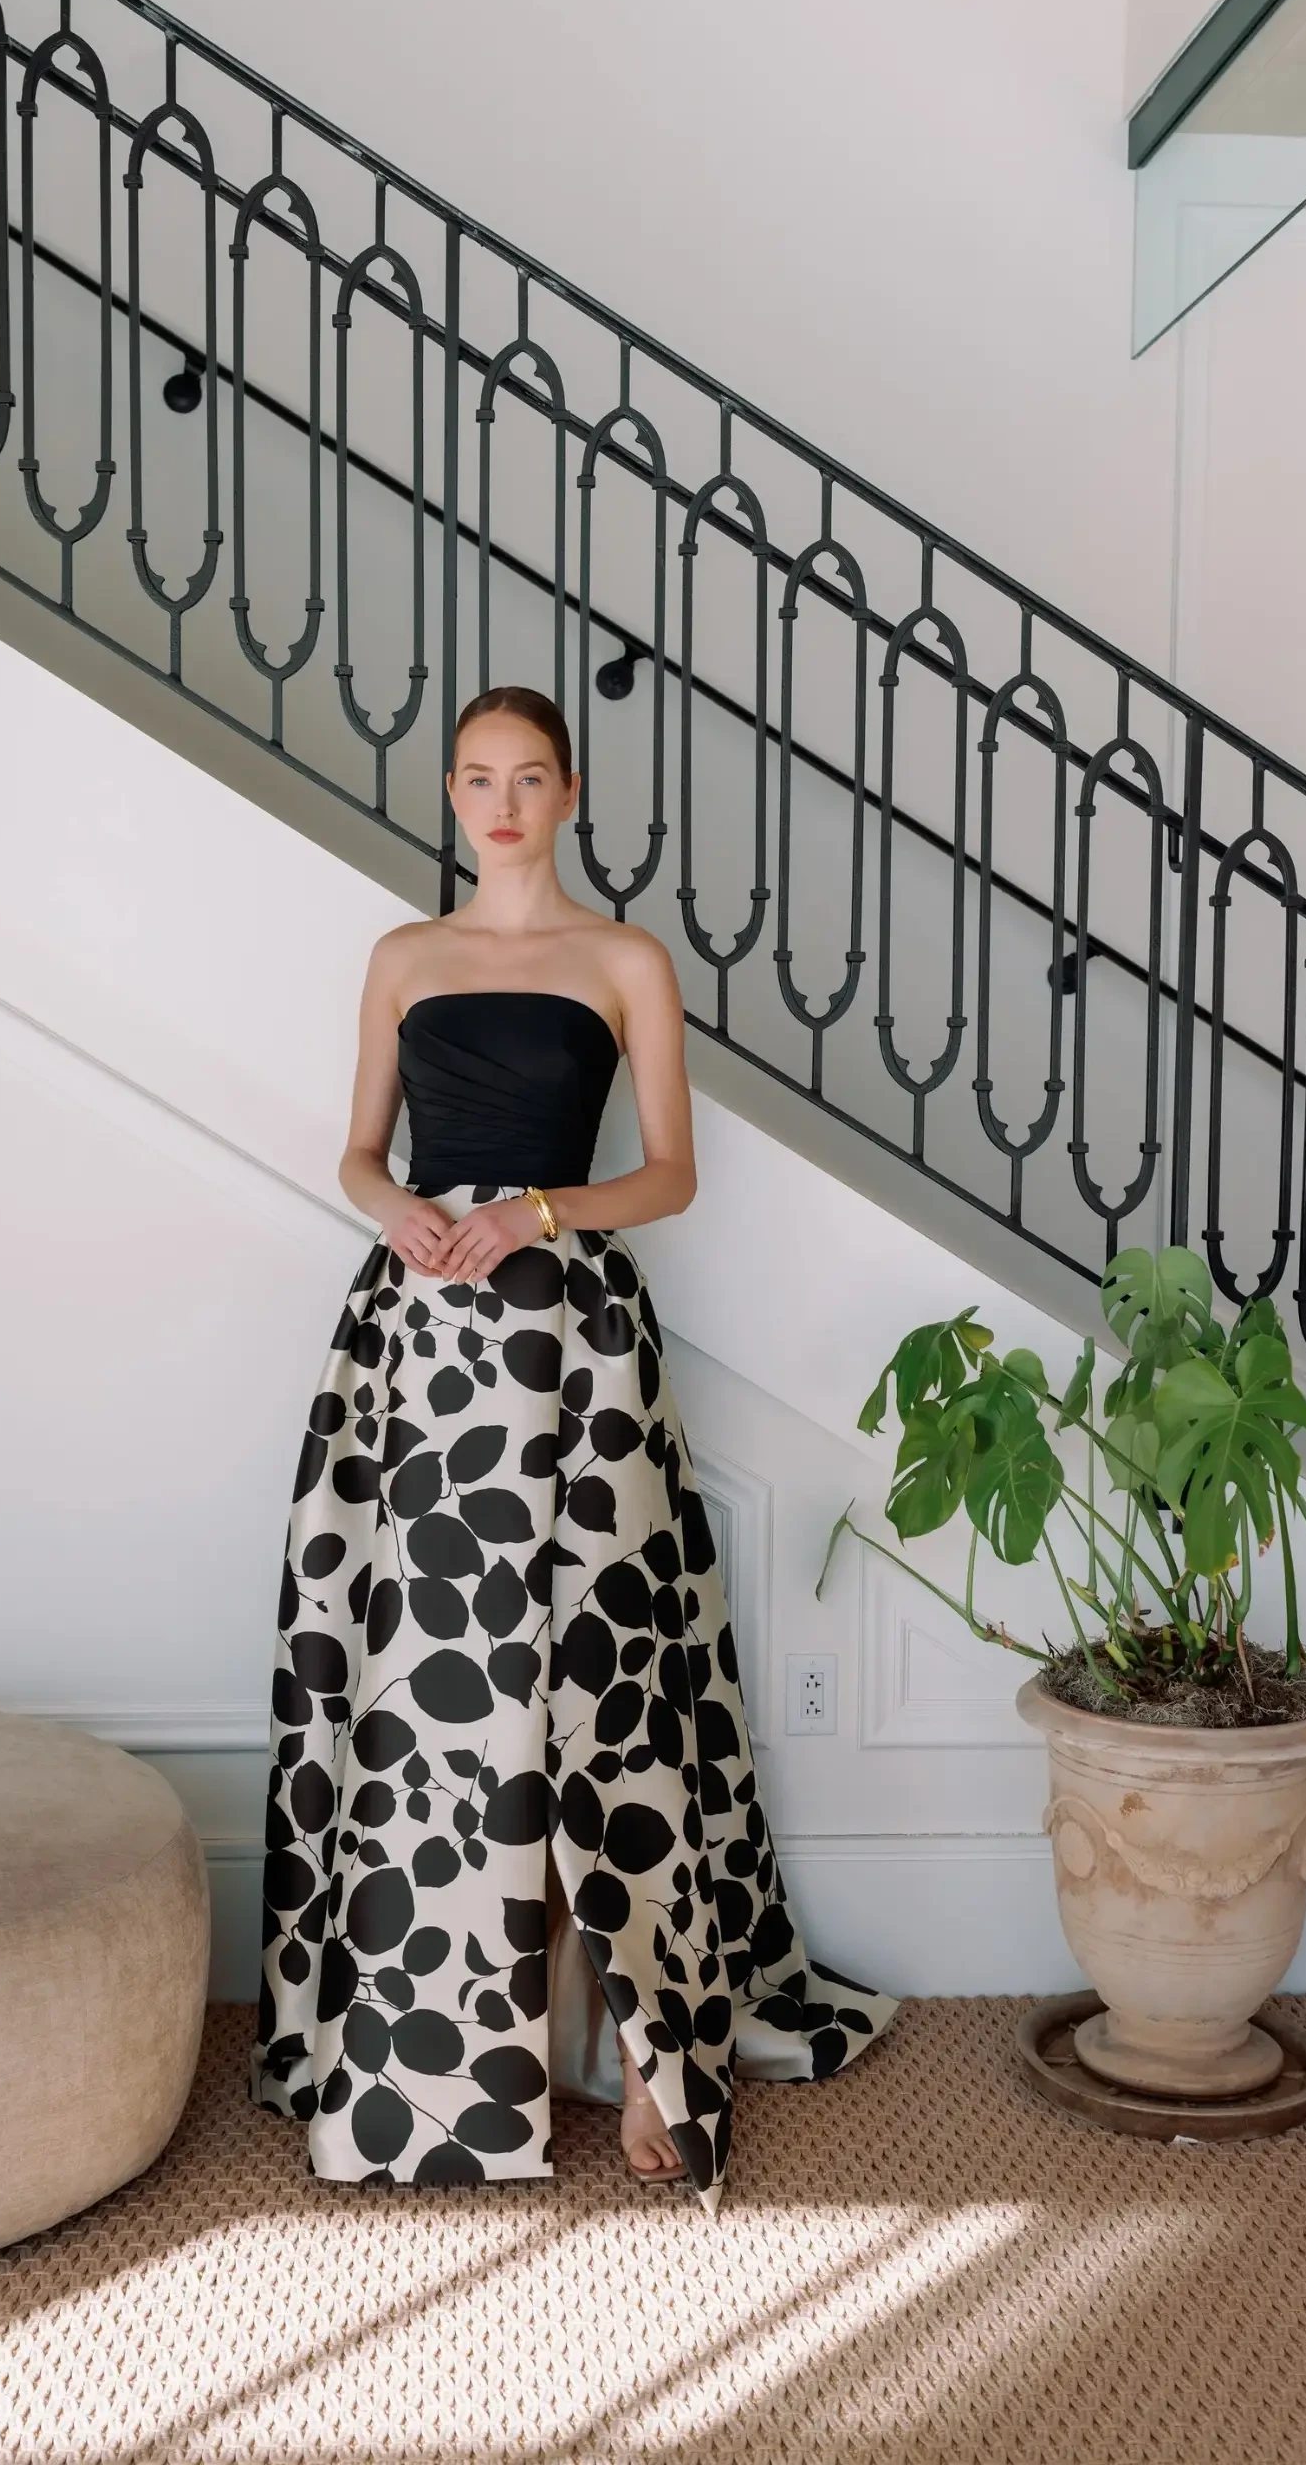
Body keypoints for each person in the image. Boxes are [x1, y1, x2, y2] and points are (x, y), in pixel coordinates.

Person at [250, 686, 897, 2205]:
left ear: (569, 792)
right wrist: (393, 1204)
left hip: (578, 1338)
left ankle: (648, 2053)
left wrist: (537, 1210)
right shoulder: (403, 958)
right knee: (440, 1700)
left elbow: (667, 1175)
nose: (501, 803)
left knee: (596, 1686)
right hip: (420, 1347)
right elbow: (356, 1145)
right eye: (477, 778)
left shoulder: (624, 961)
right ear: (453, 793)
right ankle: (450, 2060)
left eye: (528, 778)